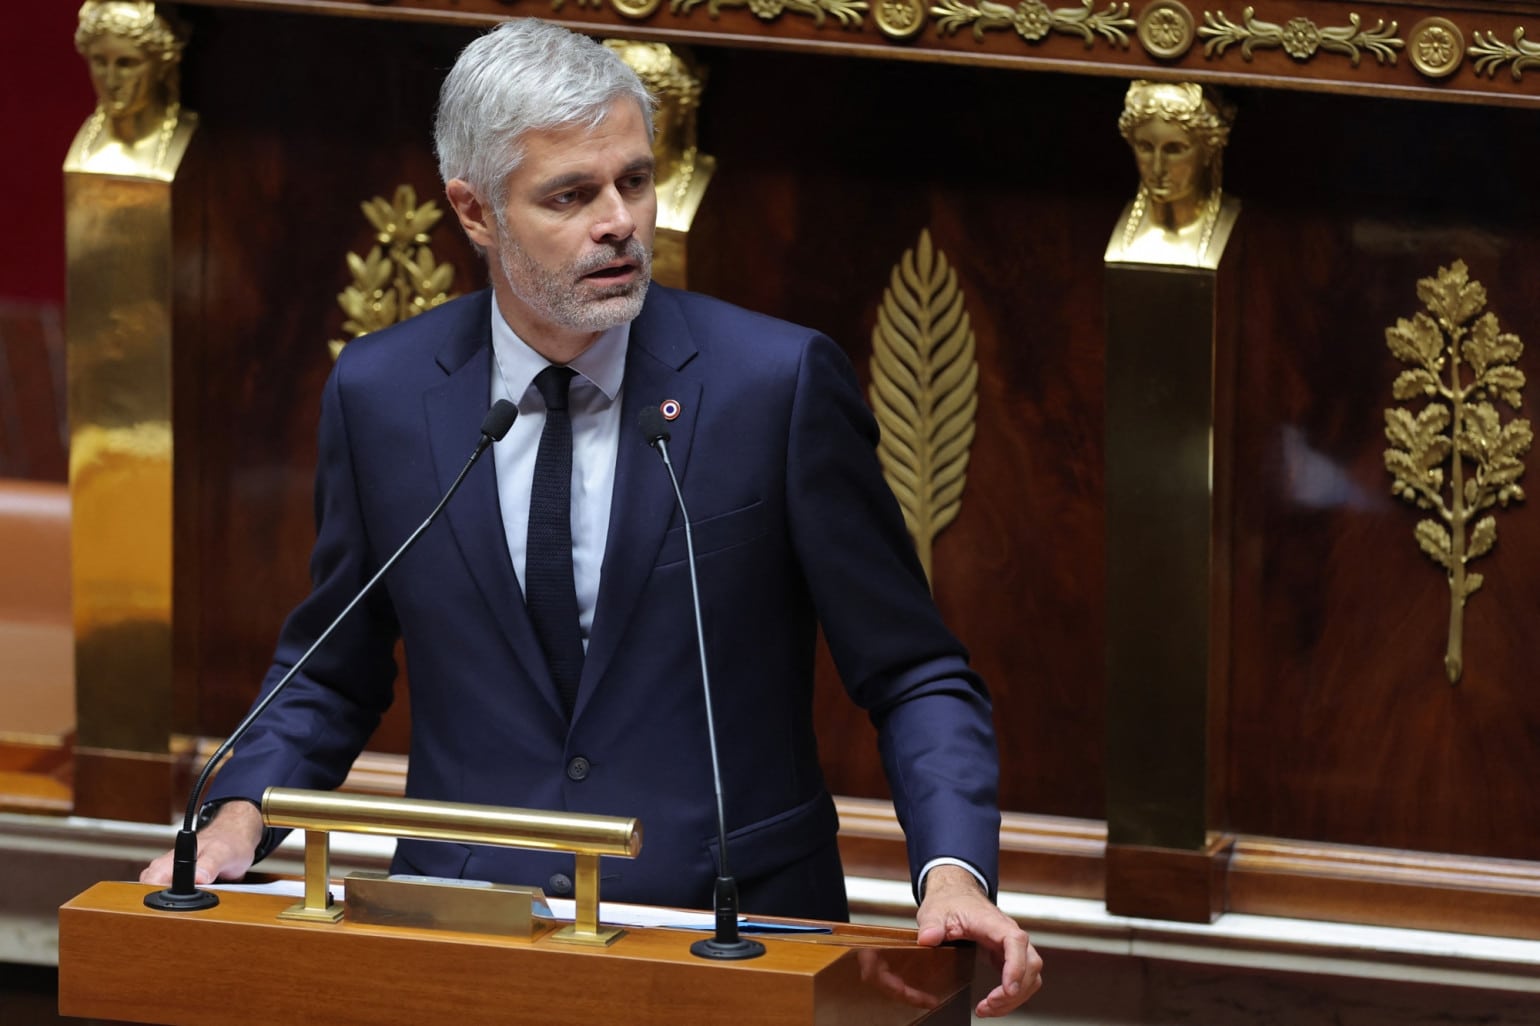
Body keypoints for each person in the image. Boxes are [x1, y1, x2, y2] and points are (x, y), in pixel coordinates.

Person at [141, 18, 1041, 1017]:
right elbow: (329, 670)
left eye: (634, 182)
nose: (618, 221)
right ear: (474, 212)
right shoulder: (383, 394)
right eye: (570, 195)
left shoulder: (771, 388)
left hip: (729, 940)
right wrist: (235, 819)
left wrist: (953, 871)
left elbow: (913, 669)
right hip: (464, 937)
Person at [1105, 79, 1238, 269]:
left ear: (1209, 150)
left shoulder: (1236, 224)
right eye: (1145, 147)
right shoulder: (1119, 233)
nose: (1158, 168)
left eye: (1174, 149)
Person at [65, 1, 196, 181]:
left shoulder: (186, 134)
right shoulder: (84, 149)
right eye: (100, 62)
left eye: (126, 63)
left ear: (162, 66)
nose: (111, 81)